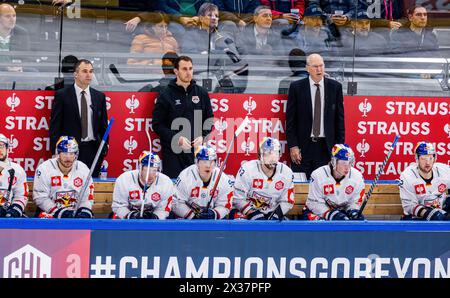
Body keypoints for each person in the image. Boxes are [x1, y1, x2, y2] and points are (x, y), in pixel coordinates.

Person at [152, 55, 214, 179]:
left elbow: (209, 119)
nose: (188, 72)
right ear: (176, 71)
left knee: (196, 188)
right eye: (184, 69)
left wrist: (202, 136)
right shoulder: (165, 94)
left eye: (190, 69)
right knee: (174, 190)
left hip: (196, 153)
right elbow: (157, 125)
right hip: (173, 153)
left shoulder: (201, 93)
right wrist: (176, 138)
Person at [286, 53, 345, 180]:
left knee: (325, 184)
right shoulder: (296, 87)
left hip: (326, 148)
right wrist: (293, 146)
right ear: (307, 68)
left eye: (321, 66)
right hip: (303, 147)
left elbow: (339, 121)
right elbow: (291, 121)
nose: (319, 69)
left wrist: (339, 149)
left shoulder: (335, 87)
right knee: (299, 185)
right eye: (315, 66)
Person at [49, 59, 109, 178]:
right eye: (85, 71)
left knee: (91, 185)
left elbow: (103, 126)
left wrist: (104, 149)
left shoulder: (99, 96)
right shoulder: (62, 95)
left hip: (93, 149)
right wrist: (55, 151)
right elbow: (55, 126)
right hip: (69, 150)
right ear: (76, 74)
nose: (89, 75)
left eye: (91, 71)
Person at [232, 137, 295, 220]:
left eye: (275, 153)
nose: (272, 158)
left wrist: (276, 214)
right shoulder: (247, 169)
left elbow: (287, 201)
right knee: (239, 221)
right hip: (247, 212)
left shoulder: (287, 173)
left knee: (285, 227)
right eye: (268, 154)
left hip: (271, 213)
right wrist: (251, 212)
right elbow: (237, 199)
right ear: (260, 156)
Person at [33, 136, 94, 219]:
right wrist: (59, 212)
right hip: (51, 213)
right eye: (65, 153)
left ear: (76, 154)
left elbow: (87, 197)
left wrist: (84, 210)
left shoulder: (83, 169)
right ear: (58, 153)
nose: (68, 158)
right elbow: (40, 197)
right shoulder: (44, 168)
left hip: (75, 214)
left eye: (71, 153)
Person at [301, 144, 365, 220]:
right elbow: (314, 203)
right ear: (334, 161)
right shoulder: (318, 175)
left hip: (342, 213)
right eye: (344, 163)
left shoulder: (357, 176)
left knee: (356, 221)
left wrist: (353, 211)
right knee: (321, 224)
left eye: (350, 162)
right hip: (318, 213)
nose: (347, 167)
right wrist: (331, 215)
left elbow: (355, 201)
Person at [172, 145, 233, 219]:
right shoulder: (185, 176)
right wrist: (192, 216)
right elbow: (176, 202)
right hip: (188, 220)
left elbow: (225, 204)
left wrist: (214, 214)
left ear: (215, 163)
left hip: (213, 222)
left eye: (211, 162)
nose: (208, 166)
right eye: (204, 162)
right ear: (197, 162)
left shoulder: (223, 179)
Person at [111, 151, 174, 219]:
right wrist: (131, 215)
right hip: (128, 217)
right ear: (140, 168)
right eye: (147, 171)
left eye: (154, 170)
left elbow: (164, 209)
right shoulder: (124, 179)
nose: (151, 175)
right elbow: (118, 206)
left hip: (154, 218)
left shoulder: (166, 182)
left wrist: (155, 217)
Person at [398, 142, 450, 221]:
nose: (428, 163)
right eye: (423, 158)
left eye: (430, 158)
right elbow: (409, 206)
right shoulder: (407, 176)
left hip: (440, 212)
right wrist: (428, 213)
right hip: (415, 218)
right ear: (417, 159)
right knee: (437, 218)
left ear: (434, 158)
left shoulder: (443, 170)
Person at [0, 133, 28, 218]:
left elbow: (21, 195)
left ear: (7, 149)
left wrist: (15, 209)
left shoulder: (17, 170)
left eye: (1, 146)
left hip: (7, 213)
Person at [0, 3, 31, 72]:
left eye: (14, 16)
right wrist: (6, 68)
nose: (12, 20)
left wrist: (20, 66)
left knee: (34, 72)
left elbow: (26, 58)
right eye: (7, 16)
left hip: (16, 70)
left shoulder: (22, 33)